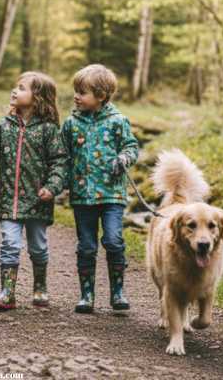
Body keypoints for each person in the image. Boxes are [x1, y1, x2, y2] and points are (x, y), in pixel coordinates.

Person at [0, 72, 67, 310]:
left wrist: (52, 187)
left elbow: (60, 162)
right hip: (8, 200)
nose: (14, 91)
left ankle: (40, 285)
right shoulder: (3, 125)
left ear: (38, 97)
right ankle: (7, 292)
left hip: (38, 201)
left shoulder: (49, 130)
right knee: (9, 243)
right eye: (15, 87)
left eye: (21, 88)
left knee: (38, 247)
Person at [61, 64, 139, 313]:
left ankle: (117, 292)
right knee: (86, 246)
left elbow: (131, 147)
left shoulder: (118, 121)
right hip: (82, 196)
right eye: (76, 91)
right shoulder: (71, 124)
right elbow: (63, 157)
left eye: (82, 92)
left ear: (101, 96)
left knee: (114, 240)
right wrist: (58, 184)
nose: (76, 96)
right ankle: (86, 295)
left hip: (111, 194)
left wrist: (124, 159)